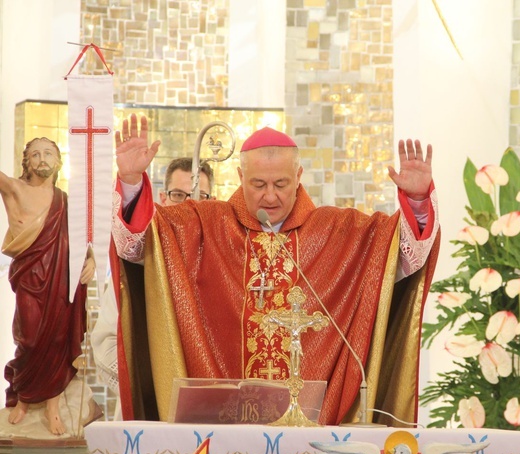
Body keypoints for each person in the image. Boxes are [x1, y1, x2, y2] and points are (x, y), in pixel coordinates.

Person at [111, 114, 440, 426]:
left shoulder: (337, 231)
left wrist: (416, 201)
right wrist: (130, 183)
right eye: (258, 184)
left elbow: (402, 259)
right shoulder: (203, 225)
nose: (270, 196)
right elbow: (139, 245)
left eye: (281, 183)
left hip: (313, 427)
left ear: (298, 177)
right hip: (220, 430)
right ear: (241, 178)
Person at [90, 157, 214, 418]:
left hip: (209, 412)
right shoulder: (139, 259)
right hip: (148, 409)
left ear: (213, 202)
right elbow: (105, 343)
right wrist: (154, 379)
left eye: (201, 196)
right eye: (179, 194)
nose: (190, 204)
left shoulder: (219, 267)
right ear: (163, 197)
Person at [0, 137, 95, 435]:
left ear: (58, 161)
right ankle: (24, 399)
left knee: (56, 338)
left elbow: (80, 238)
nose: (42, 159)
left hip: (61, 278)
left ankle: (52, 406)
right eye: (36, 155)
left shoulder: (65, 200)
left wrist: (90, 259)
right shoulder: (16, 189)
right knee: (28, 336)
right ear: (27, 162)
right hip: (30, 276)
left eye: (49, 154)